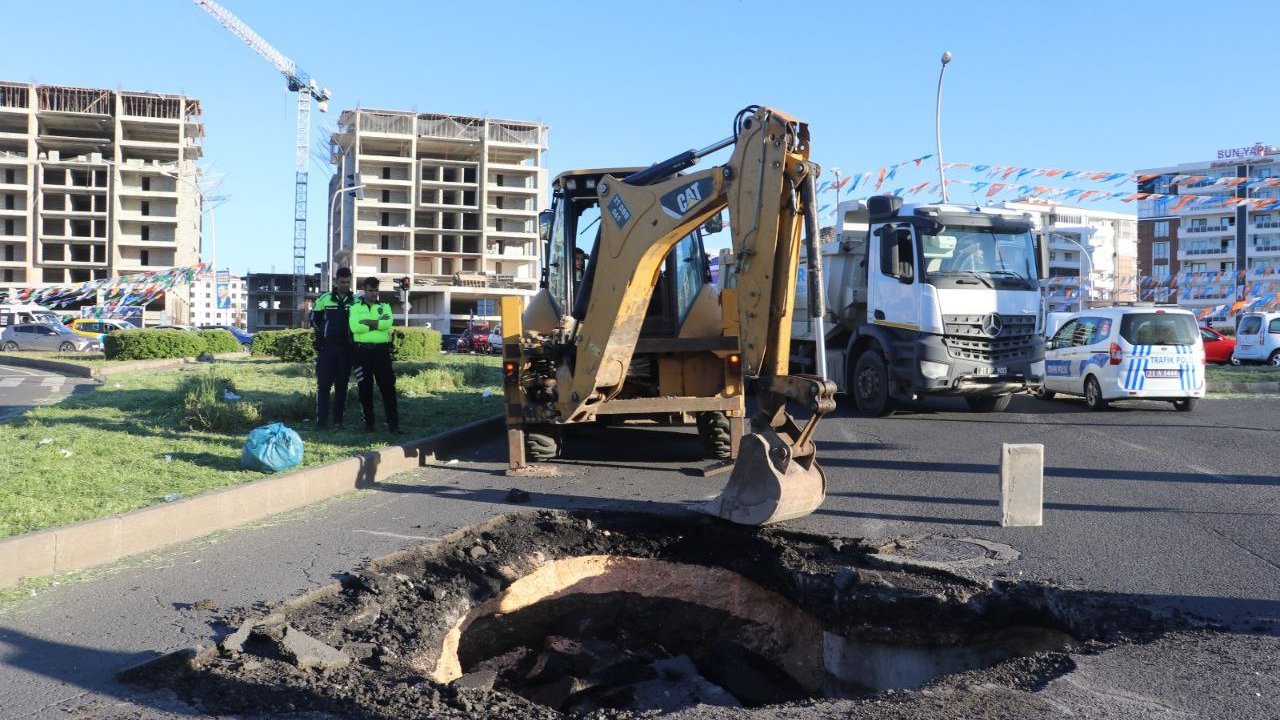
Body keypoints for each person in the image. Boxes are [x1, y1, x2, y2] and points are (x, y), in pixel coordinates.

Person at [349, 276, 400, 434]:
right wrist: (376, 323)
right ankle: (369, 425)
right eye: (371, 290)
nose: (374, 293)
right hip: (361, 352)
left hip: (381, 352)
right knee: (365, 388)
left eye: (376, 290)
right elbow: (354, 328)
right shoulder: (355, 307)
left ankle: (393, 425)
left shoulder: (385, 306)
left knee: (388, 388)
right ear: (365, 290)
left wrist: (367, 322)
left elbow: (387, 324)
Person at [310, 267, 355, 430]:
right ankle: (321, 422)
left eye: (348, 282)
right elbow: (314, 319)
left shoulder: (355, 301)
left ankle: (338, 421)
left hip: (346, 348)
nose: (345, 285)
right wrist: (322, 333)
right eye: (342, 282)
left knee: (342, 386)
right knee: (323, 386)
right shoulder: (324, 298)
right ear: (336, 281)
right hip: (327, 348)